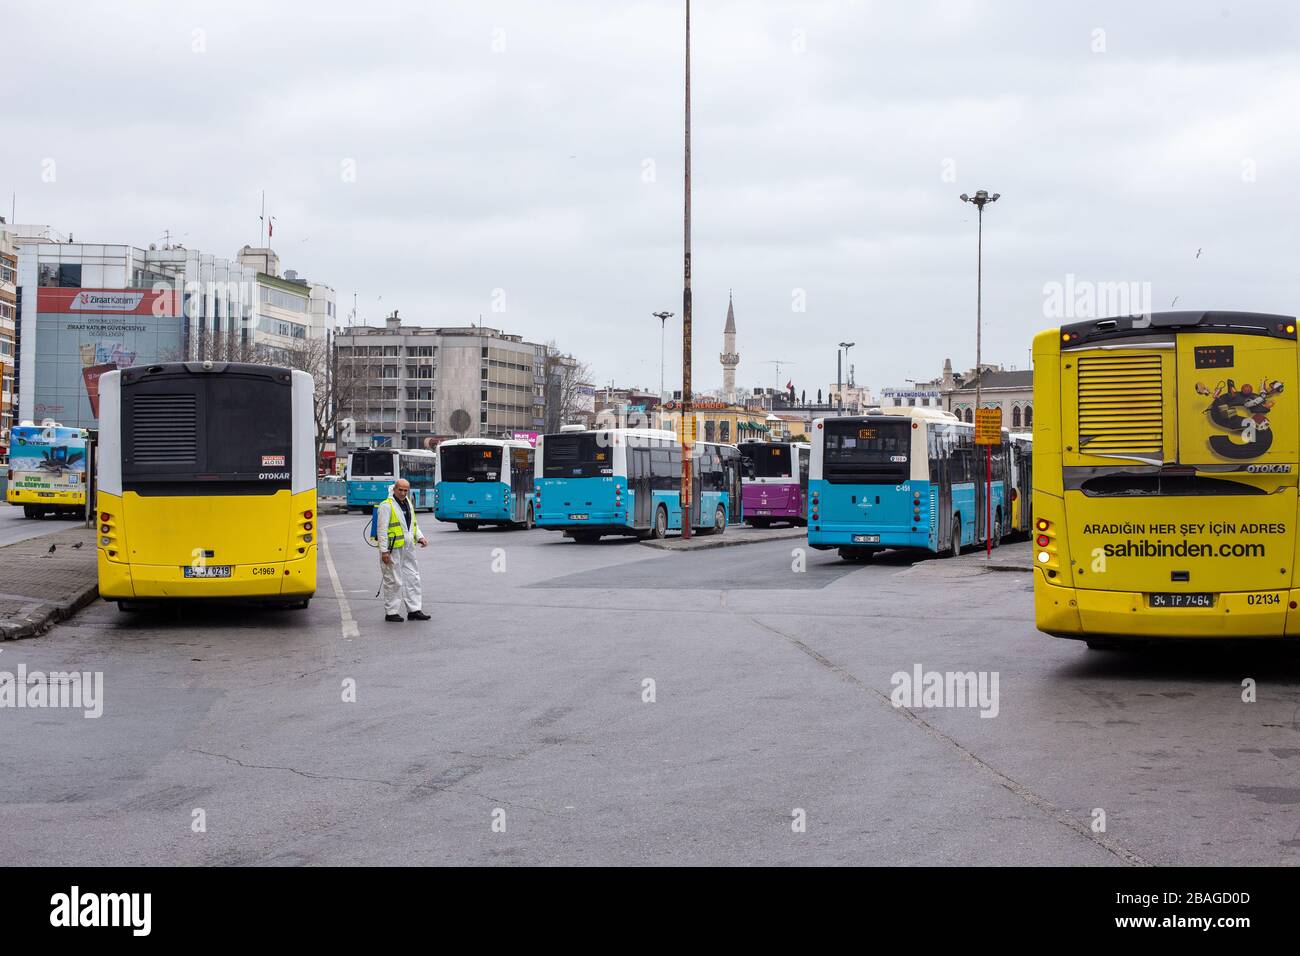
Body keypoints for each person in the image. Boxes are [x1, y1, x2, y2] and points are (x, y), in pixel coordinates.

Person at [376, 478, 430, 622]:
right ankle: (391, 612)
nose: (403, 493)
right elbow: (381, 530)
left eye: (406, 490)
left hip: (408, 547)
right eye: (400, 489)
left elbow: (413, 524)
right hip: (392, 548)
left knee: (413, 578)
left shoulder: (408, 504)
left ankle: (414, 610)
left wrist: (420, 537)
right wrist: (384, 551)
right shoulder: (386, 506)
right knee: (393, 580)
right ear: (394, 489)